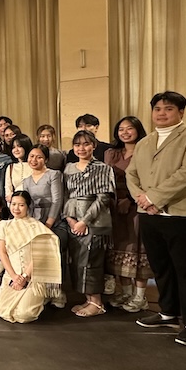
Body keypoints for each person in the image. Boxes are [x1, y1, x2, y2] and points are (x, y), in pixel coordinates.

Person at [127, 91, 186, 346]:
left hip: (180, 214)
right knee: (161, 266)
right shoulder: (145, 142)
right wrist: (142, 199)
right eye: (157, 109)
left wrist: (153, 197)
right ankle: (168, 312)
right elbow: (131, 174)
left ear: (181, 112)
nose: (161, 113)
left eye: (168, 109)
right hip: (148, 214)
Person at [63, 130, 116, 318]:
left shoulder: (103, 168)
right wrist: (70, 219)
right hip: (73, 219)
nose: (81, 148)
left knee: (92, 262)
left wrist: (84, 221)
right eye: (77, 145)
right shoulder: (69, 168)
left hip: (94, 221)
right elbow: (66, 196)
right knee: (78, 262)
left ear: (94, 145)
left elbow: (103, 199)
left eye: (86, 144)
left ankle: (97, 303)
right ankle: (88, 299)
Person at [105, 116, 154, 313]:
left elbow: (149, 181)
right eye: (121, 129)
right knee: (119, 248)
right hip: (114, 206)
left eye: (129, 128)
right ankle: (125, 292)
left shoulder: (146, 151)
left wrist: (131, 200)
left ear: (138, 130)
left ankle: (140, 297)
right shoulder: (111, 153)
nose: (125, 133)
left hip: (137, 206)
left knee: (137, 249)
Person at [0, 191, 63, 323]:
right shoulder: (4, 225)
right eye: (13, 204)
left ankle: (42, 298)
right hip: (12, 276)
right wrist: (14, 276)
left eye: (21, 205)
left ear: (28, 206)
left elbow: (40, 255)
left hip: (33, 276)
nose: (16, 208)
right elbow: (2, 253)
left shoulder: (37, 227)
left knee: (24, 315)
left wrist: (24, 277)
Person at [23, 144, 66, 307]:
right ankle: (43, 292)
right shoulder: (26, 180)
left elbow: (57, 200)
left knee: (54, 255)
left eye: (39, 157)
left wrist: (48, 223)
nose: (34, 160)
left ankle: (58, 293)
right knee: (37, 257)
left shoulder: (53, 175)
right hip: (35, 222)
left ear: (46, 159)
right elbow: (27, 204)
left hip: (52, 221)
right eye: (31, 156)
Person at [5, 134, 34, 201]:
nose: (16, 150)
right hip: (16, 203)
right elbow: (8, 191)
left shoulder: (34, 165)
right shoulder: (10, 167)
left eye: (19, 146)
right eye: (13, 147)